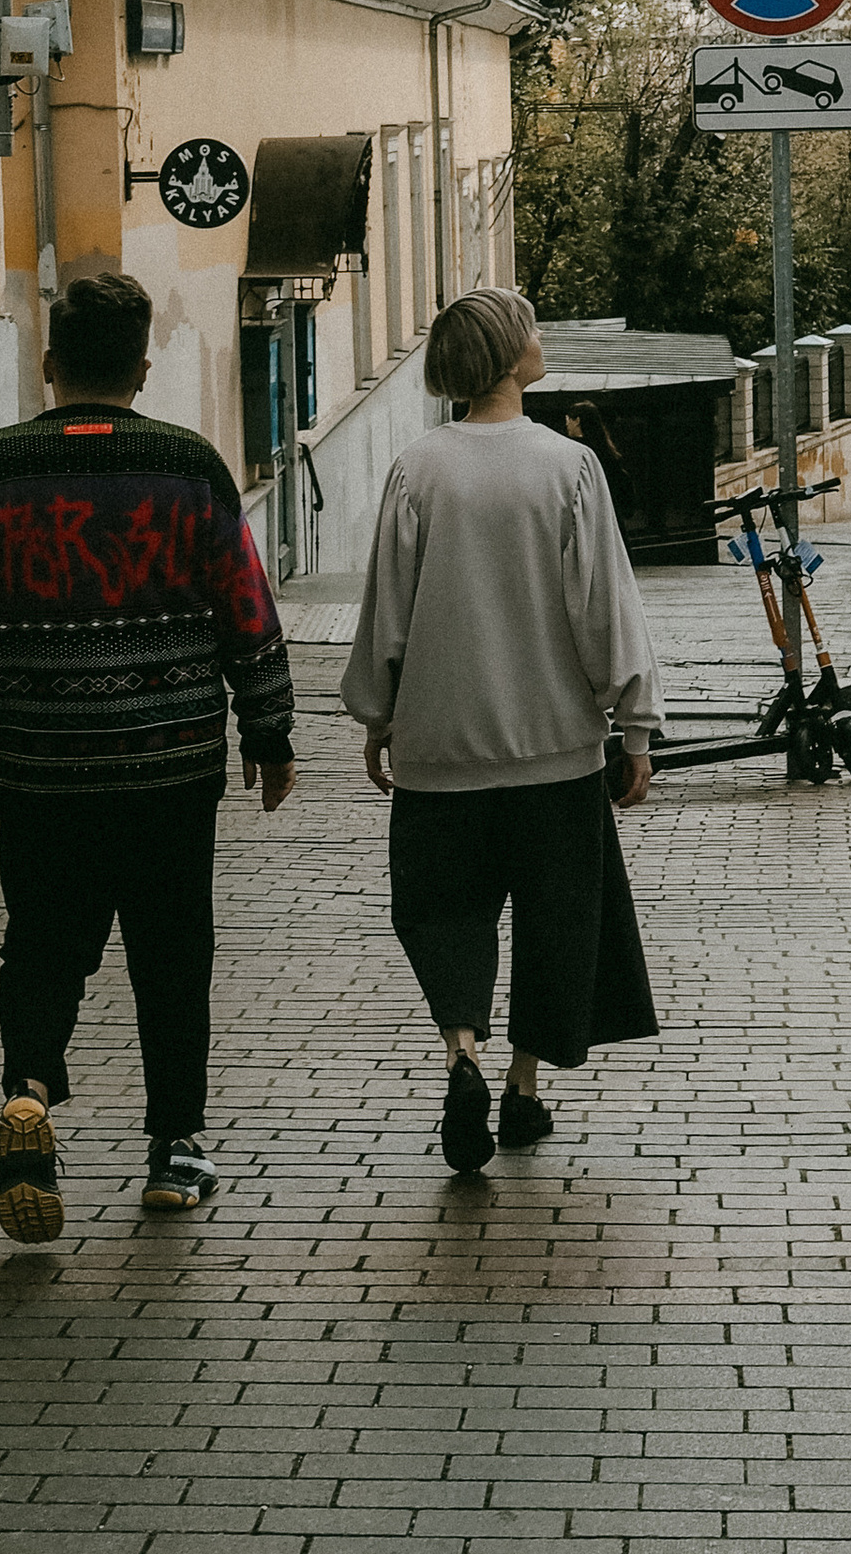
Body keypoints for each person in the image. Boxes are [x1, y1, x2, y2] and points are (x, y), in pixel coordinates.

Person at [0, 270, 297, 1242]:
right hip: (170, 768)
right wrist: (269, 730)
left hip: (40, 769)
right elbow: (246, 610)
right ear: (142, 364)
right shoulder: (189, 467)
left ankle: (31, 1096)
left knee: (42, 945)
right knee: (174, 952)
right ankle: (174, 1149)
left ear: (47, 363)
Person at [342, 286, 662, 1176]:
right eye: (529, 328)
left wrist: (377, 714)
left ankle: (462, 1055)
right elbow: (606, 611)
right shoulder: (567, 469)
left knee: (445, 913)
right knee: (560, 922)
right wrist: (634, 727)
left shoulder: (417, 469)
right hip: (555, 753)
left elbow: (388, 614)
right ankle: (522, 1090)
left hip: (440, 753)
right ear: (508, 354)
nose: (540, 337)